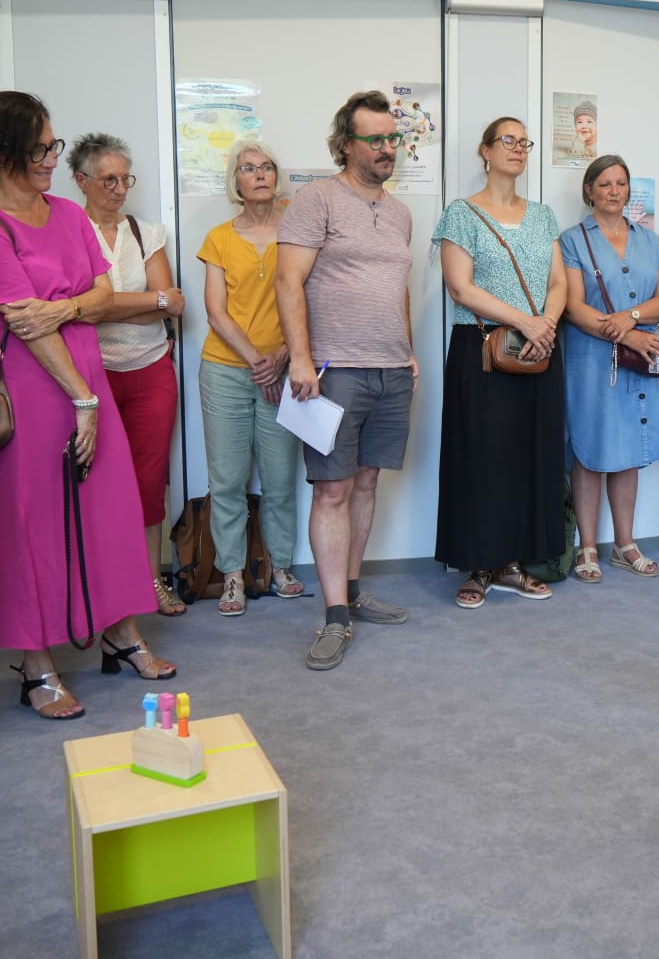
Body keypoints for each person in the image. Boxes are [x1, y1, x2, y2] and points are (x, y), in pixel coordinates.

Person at [0, 89, 174, 718]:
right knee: (30, 523)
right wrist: (81, 399)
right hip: (32, 390)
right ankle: (36, 665)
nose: (51, 158)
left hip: (86, 380)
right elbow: (24, 325)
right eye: (40, 148)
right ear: (2, 152)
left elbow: (102, 295)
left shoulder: (70, 216)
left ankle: (118, 633)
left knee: (109, 510)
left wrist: (66, 308)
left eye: (53, 145)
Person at [276, 90, 415, 671]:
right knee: (331, 489)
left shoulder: (402, 211)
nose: (387, 149)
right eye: (375, 139)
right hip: (333, 371)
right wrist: (301, 359)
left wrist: (408, 354)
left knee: (365, 485)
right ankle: (334, 617)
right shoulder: (316, 200)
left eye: (392, 138)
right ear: (345, 145)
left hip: (391, 368)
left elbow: (398, 287)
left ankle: (353, 592)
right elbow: (287, 282)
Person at [432, 118, 566, 607]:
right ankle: (477, 565)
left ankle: (515, 562)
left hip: (540, 349)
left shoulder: (543, 215)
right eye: (506, 141)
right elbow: (460, 287)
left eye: (524, 142)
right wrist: (525, 323)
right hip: (482, 348)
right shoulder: (461, 213)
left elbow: (558, 284)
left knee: (531, 456)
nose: (517, 148)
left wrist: (544, 327)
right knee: (480, 457)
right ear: (485, 151)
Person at [69, 133, 186, 618]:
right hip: (89, 377)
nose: (119, 189)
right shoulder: (68, 231)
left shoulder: (147, 232)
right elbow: (75, 311)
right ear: (81, 181)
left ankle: (150, 580)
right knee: (92, 480)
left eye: (125, 179)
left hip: (150, 371)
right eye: (108, 179)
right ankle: (99, 585)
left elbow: (173, 303)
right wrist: (147, 303)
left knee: (149, 478)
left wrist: (105, 308)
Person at [196, 140, 304, 615]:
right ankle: (233, 575)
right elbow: (216, 313)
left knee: (281, 478)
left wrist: (280, 356)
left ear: (276, 176)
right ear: (235, 181)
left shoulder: (299, 233)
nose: (258, 174)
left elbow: (312, 301)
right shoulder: (219, 237)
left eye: (266, 167)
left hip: (285, 368)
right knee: (228, 480)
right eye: (247, 168)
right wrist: (257, 361)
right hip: (224, 370)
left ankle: (280, 568)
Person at [559, 154, 659, 581]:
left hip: (640, 362)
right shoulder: (572, 239)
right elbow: (573, 307)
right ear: (589, 190)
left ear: (629, 190)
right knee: (589, 451)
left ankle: (625, 544)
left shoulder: (649, 239)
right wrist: (628, 334)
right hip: (591, 360)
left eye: (620, 183)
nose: (613, 191)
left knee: (629, 451)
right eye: (604, 183)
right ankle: (587, 547)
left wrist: (634, 317)